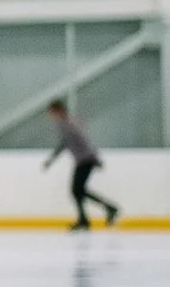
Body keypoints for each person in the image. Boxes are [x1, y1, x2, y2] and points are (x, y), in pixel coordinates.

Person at [41, 99, 120, 231]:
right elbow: (68, 142)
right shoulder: (69, 122)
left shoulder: (66, 123)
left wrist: (94, 157)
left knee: (77, 190)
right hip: (84, 159)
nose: (50, 115)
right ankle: (95, 214)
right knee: (78, 190)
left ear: (58, 110)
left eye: (52, 112)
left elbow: (80, 139)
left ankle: (101, 212)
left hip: (85, 159)